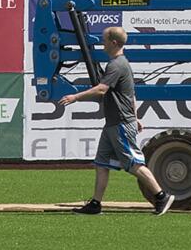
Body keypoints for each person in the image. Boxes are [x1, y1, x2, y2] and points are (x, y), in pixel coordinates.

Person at [59, 26, 175, 216]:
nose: (102, 43)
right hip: (113, 123)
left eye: (104, 40)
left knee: (133, 163)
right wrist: (136, 117)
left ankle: (161, 196)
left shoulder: (116, 65)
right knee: (102, 163)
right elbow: (131, 95)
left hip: (120, 123)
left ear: (113, 42)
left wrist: (75, 97)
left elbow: (101, 90)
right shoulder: (120, 64)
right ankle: (95, 204)